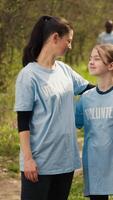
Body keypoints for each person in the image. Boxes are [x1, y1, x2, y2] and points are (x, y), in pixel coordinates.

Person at [14, 15, 93, 200]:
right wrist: (28, 160)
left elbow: (90, 90)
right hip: (39, 164)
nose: (70, 46)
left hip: (65, 162)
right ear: (55, 38)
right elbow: (23, 121)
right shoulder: (29, 75)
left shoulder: (64, 70)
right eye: (69, 41)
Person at [75, 43, 113, 200]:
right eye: (90, 58)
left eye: (97, 59)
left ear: (111, 65)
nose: (91, 62)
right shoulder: (86, 98)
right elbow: (72, 125)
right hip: (95, 164)